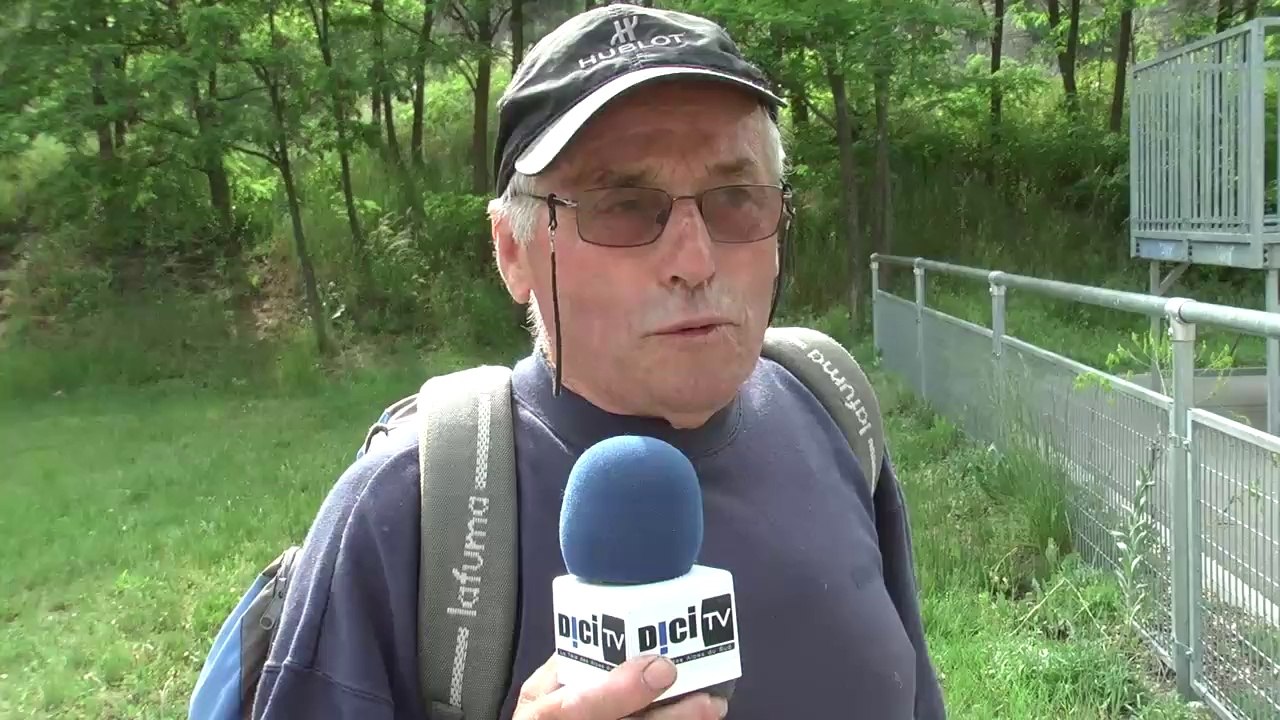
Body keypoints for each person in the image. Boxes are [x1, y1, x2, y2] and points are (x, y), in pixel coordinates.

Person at [251, 4, 946, 719]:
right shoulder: (410, 513)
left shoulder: (833, 409)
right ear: (513, 250)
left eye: (735, 199)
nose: (694, 261)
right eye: (623, 205)